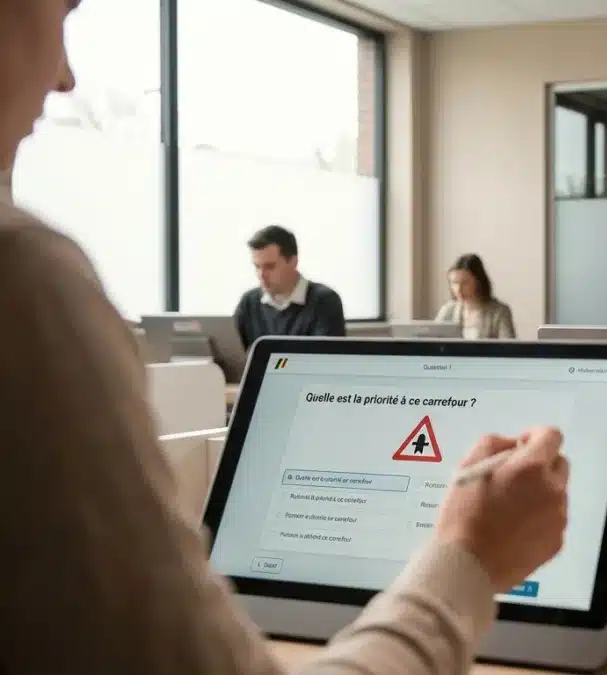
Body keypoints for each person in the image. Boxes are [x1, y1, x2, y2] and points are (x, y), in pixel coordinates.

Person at [0, 2, 569, 673]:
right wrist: (469, 558)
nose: (65, 76)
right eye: (62, 9)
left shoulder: (323, 301)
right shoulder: (23, 279)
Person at [234, 224, 347, 349]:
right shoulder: (249, 302)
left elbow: (325, 356)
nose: (261, 275)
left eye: (270, 267)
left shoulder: (325, 301)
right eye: (257, 267)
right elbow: (234, 352)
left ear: (293, 262)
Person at [435, 253, 516, 339]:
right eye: (454, 283)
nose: (458, 289)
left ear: (479, 282)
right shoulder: (448, 310)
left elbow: (508, 345)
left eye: (465, 283)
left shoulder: (499, 312)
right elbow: (433, 340)